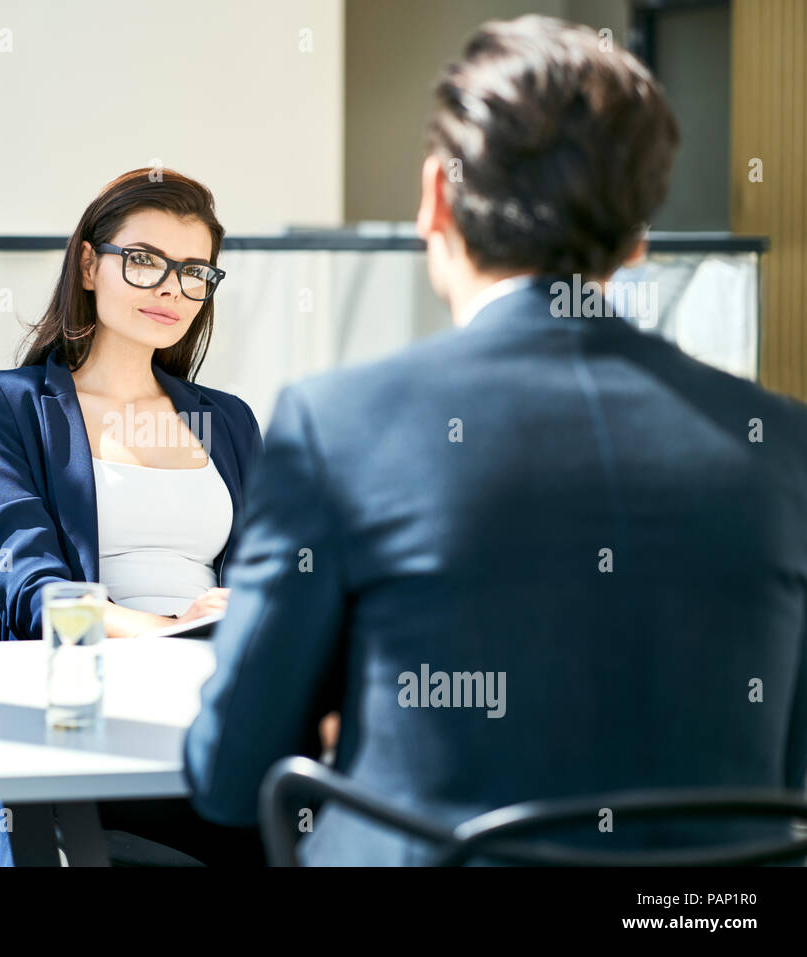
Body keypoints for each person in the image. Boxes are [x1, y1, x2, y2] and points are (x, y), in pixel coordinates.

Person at [183, 15, 807, 865]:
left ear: (438, 197)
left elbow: (228, 771)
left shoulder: (340, 426)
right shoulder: (782, 444)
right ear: (636, 242)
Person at [0, 167, 270, 865]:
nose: (171, 288)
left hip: (217, 703)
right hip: (88, 714)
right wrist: (168, 634)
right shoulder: (7, 405)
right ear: (90, 263)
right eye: (144, 260)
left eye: (195, 272)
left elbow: (271, 571)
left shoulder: (228, 420)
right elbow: (30, 587)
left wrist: (246, 607)